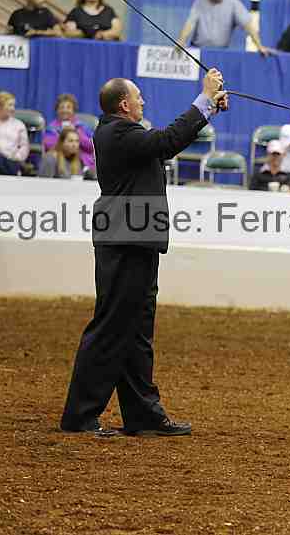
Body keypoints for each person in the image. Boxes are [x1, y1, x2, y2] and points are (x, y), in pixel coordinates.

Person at [59, 68, 229, 438]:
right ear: (124, 105)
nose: (143, 101)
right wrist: (204, 99)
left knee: (136, 332)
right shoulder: (118, 133)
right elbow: (167, 141)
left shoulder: (119, 133)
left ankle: (143, 415)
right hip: (126, 239)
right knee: (112, 328)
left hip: (135, 239)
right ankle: (80, 417)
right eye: (138, 97)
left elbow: (166, 141)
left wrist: (209, 107)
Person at [177, 0, 269, 56]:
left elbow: (248, 25)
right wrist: (181, 41)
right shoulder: (199, 3)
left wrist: (259, 46)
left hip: (220, 53)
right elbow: (190, 24)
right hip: (198, 51)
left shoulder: (233, 3)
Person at [43, 93, 95, 171]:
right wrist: (64, 134)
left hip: (84, 165)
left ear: (73, 110)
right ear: (57, 110)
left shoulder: (82, 127)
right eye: (62, 107)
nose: (65, 110)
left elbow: (92, 146)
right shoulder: (51, 128)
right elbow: (48, 145)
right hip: (59, 165)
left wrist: (76, 133)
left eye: (68, 107)